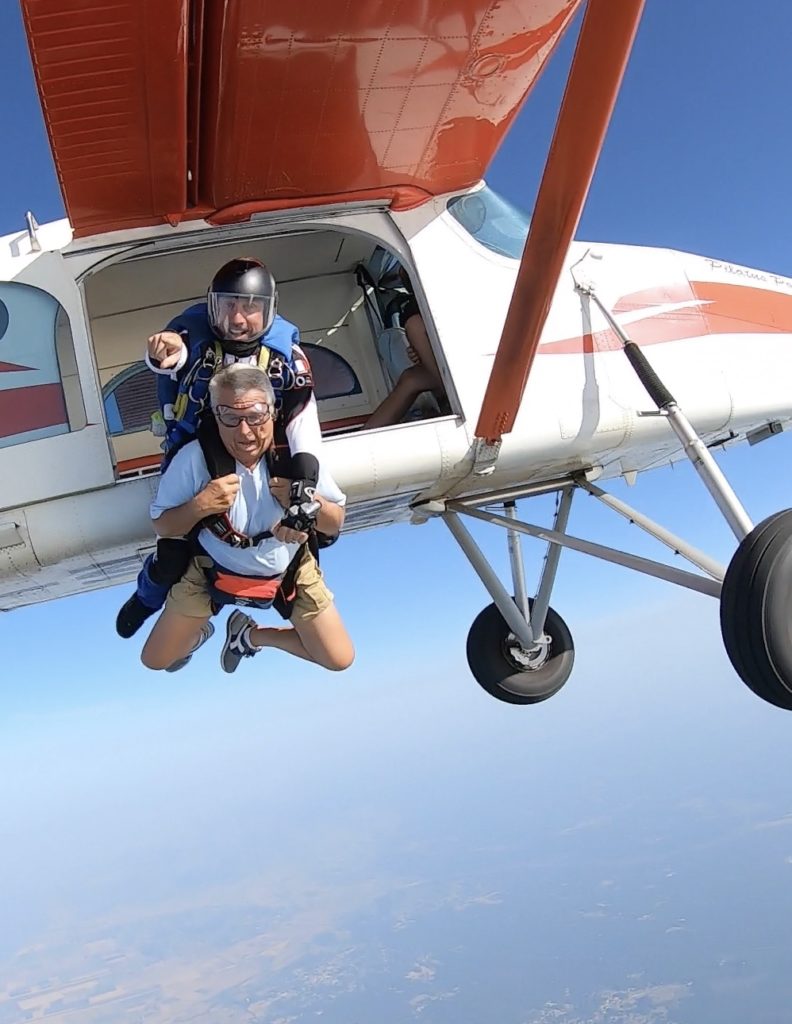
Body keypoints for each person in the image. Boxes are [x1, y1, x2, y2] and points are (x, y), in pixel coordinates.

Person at [116, 257, 324, 640]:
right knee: (171, 557)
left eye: (251, 308)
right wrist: (162, 350)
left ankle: (273, 600)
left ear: (270, 310)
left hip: (254, 457)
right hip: (195, 458)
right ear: (212, 306)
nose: (239, 320)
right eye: (228, 305)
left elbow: (301, 417)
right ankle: (146, 601)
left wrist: (305, 479)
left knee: (310, 534)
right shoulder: (193, 336)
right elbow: (170, 357)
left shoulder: (286, 357)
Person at [140, 364, 354, 675]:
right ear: (215, 417)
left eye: (255, 416)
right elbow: (163, 525)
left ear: (272, 412)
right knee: (156, 660)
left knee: (339, 659)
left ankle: (250, 636)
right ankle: (198, 634)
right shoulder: (194, 460)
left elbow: (335, 521)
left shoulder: (295, 458)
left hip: (289, 568)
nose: (244, 431)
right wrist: (199, 506)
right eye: (230, 417)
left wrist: (305, 499)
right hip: (211, 568)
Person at [365, 271, 447, 429]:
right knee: (410, 379)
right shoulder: (415, 306)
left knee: (414, 326)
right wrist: (420, 351)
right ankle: (363, 439)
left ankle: (450, 395)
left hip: (454, 373)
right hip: (439, 367)